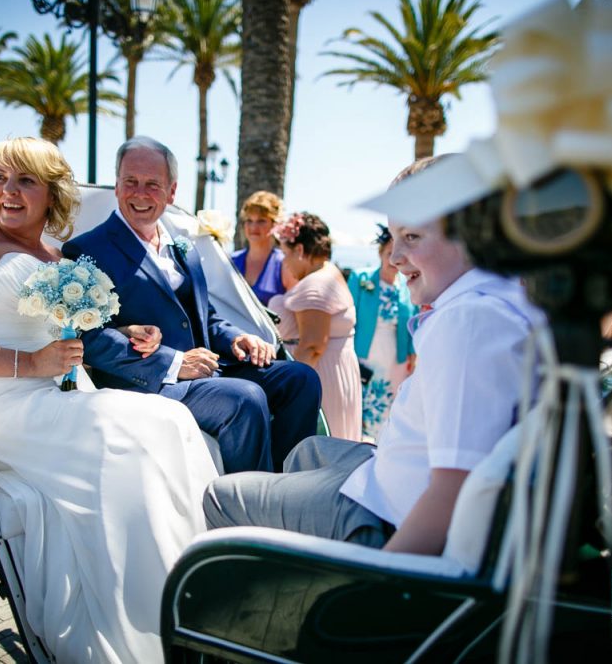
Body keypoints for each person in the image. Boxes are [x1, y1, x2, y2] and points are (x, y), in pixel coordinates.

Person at [0, 137, 219, 663]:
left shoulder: (55, 257)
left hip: (61, 393)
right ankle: (146, 622)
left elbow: (75, 336)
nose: (8, 191)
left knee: (172, 420)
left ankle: (187, 604)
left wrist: (129, 329)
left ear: (51, 193)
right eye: (1, 177)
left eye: (25, 180)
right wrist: (26, 364)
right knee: (132, 436)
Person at [204, 156, 546, 555]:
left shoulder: (469, 321)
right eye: (393, 237)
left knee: (218, 496)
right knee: (305, 451)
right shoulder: (497, 301)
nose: (396, 256)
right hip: (387, 482)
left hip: (383, 514)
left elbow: (453, 494)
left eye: (412, 237)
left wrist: (382, 586)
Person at [63, 136, 322, 473]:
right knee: (245, 398)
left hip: (211, 368)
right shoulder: (86, 250)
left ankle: (286, 485)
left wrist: (235, 338)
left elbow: (205, 317)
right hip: (149, 384)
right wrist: (173, 363)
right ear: (117, 185)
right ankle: (248, 502)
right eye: (131, 182)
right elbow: (90, 339)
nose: (140, 193)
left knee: (301, 378)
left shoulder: (182, 247)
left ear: (171, 192)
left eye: (152, 184)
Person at [266, 212, 362, 440]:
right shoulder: (328, 272)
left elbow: (312, 346)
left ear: (299, 250)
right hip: (336, 369)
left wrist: (289, 393)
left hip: (323, 377)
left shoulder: (315, 286)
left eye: (286, 254)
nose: (285, 263)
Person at [347, 223, 417, 443]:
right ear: (380, 253)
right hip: (364, 354)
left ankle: (381, 447)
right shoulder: (361, 279)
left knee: (389, 408)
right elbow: (349, 317)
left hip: (395, 358)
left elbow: (413, 322)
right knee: (360, 405)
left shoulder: (406, 286)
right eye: (388, 253)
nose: (393, 259)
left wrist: (412, 355)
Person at [231, 190, 295, 305]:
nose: (253, 227)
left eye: (261, 221)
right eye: (249, 220)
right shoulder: (231, 261)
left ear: (274, 224)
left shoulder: (284, 265)